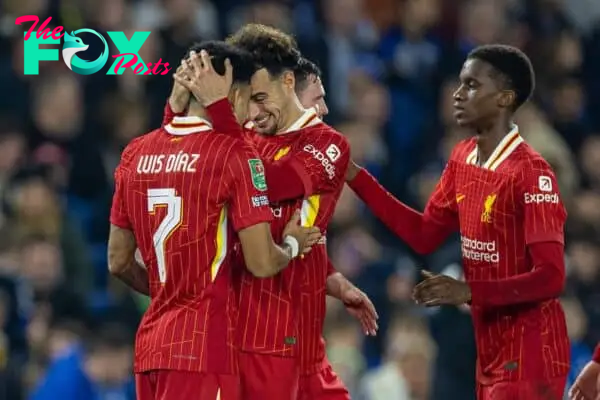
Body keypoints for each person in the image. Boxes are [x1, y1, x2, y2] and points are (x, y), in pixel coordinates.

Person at [346, 44, 570, 400]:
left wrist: (469, 291)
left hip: (530, 352)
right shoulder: (463, 157)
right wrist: (356, 177)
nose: (458, 94)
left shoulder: (533, 174)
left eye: (472, 85)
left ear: (504, 98)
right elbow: (423, 235)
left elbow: (550, 276)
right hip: (486, 348)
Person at [107, 41, 321, 400]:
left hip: (151, 349)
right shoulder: (234, 155)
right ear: (230, 93)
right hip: (204, 348)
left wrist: (170, 293)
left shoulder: (136, 152)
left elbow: (118, 260)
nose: (254, 112)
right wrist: (293, 243)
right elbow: (263, 262)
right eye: (251, 96)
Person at [173, 25, 354, 400]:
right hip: (226, 325)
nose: (252, 112)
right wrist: (176, 105)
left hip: (278, 329)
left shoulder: (327, 144)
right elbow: (183, 160)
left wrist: (221, 113)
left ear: (288, 82)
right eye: (244, 100)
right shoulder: (244, 138)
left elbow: (270, 183)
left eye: (260, 97)